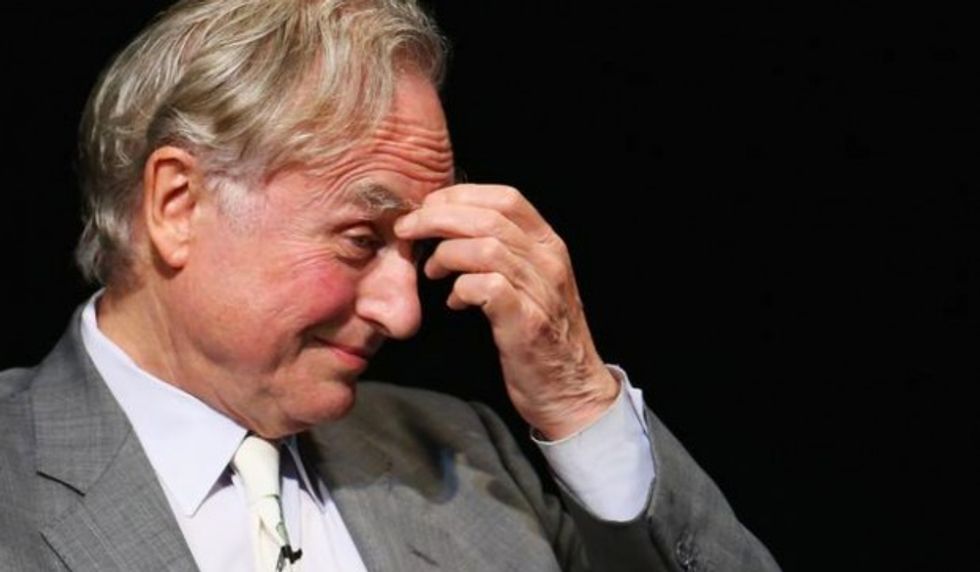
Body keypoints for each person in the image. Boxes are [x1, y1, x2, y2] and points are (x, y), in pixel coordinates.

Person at [0, 1, 779, 570]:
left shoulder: (464, 455)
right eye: (360, 240)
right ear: (179, 205)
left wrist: (578, 398)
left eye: (415, 250)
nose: (404, 313)